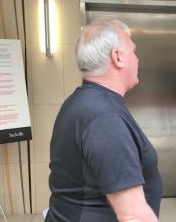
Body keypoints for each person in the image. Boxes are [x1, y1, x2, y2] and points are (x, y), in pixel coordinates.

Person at [45, 18, 162, 222]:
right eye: (132, 51)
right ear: (117, 57)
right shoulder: (105, 118)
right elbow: (133, 216)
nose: (137, 58)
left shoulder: (80, 101)